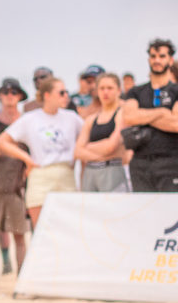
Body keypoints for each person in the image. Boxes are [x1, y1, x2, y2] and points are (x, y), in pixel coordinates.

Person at [0, 76, 83, 229]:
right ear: (47, 95)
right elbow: (1, 141)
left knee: (68, 229)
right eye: (61, 92)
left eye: (66, 92)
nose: (66, 96)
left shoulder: (72, 118)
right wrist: (27, 159)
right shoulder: (31, 118)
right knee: (42, 231)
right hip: (40, 173)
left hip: (66, 175)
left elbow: (86, 140)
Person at [0, 78, 29, 275]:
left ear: (19, 96)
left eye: (13, 92)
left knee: (19, 235)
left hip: (16, 185)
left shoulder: (26, 122)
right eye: (5, 92)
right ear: (0, 96)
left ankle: (22, 280)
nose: (9, 96)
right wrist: (3, 150)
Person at [121, 39, 178, 192]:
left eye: (162, 56)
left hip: (171, 163)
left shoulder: (176, 91)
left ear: (170, 59)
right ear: (148, 59)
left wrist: (144, 118)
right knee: (143, 213)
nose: (157, 60)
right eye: (153, 56)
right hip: (140, 164)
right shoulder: (136, 91)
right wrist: (161, 112)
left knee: (170, 213)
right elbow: (129, 117)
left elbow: (175, 124)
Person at [75, 73, 128, 192]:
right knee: (89, 209)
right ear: (97, 91)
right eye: (102, 88)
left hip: (113, 171)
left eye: (109, 88)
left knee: (114, 209)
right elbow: (77, 151)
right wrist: (101, 157)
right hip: (90, 173)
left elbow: (111, 146)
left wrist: (87, 148)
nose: (105, 92)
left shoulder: (123, 113)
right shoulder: (91, 119)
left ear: (119, 90)